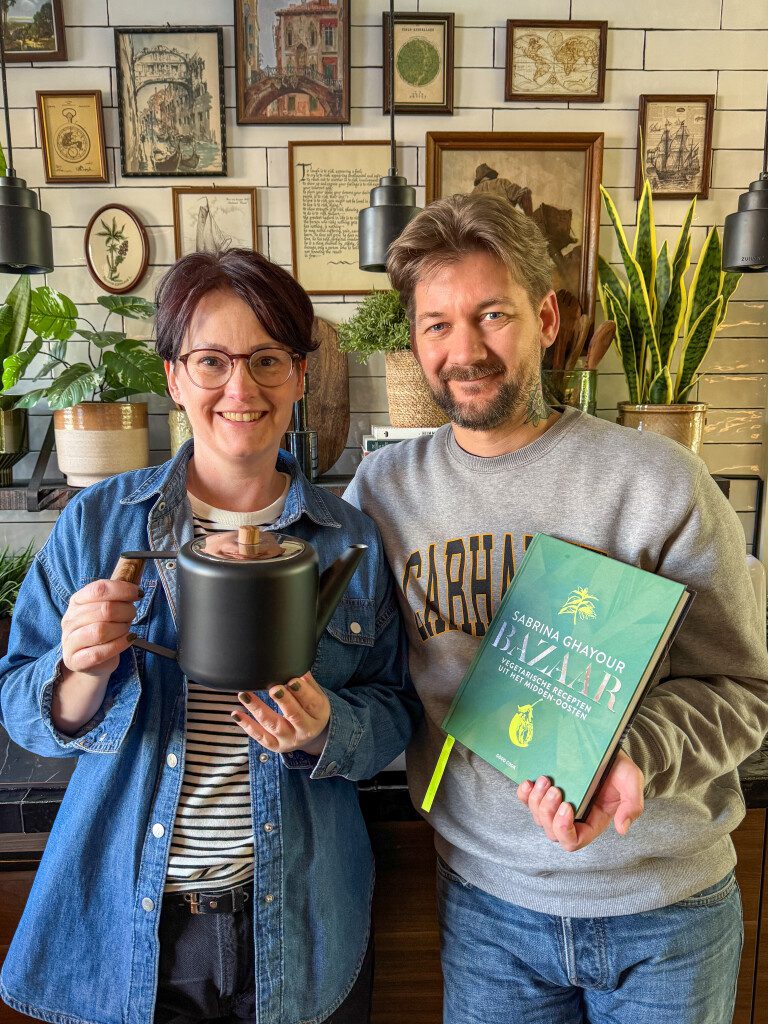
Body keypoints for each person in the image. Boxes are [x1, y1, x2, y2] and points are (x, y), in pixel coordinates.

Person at [344, 192, 768, 1024]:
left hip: (665, 910)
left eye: (491, 314)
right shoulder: (384, 493)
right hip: (488, 911)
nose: (464, 351)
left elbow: (745, 691)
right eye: (436, 324)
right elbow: (359, 665)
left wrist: (635, 754)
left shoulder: (657, 483)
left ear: (544, 317)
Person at [0, 248, 420, 1024]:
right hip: (138, 927)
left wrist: (332, 728)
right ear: (173, 378)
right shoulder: (99, 525)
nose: (241, 388)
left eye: (267, 360)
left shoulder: (349, 539)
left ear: (300, 374)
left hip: (300, 923)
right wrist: (78, 674)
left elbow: (395, 706)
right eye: (211, 361)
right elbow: (20, 707)